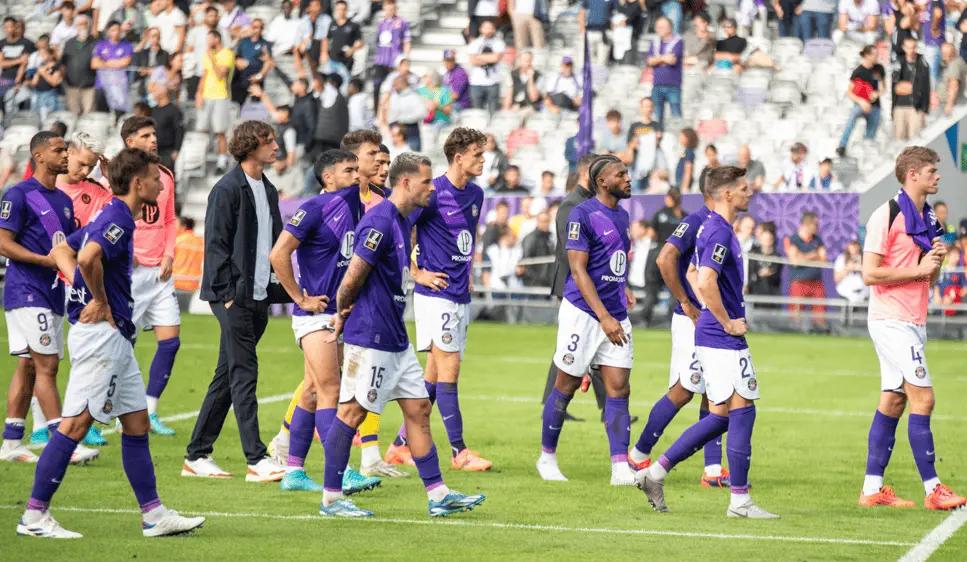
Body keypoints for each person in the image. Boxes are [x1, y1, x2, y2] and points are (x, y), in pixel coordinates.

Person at [14, 147, 205, 539]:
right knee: (75, 425)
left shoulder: (111, 212)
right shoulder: (117, 216)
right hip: (102, 338)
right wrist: (97, 299)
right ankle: (34, 516)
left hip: (116, 338)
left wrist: (82, 291)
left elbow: (63, 249)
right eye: (154, 177)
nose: (159, 184)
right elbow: (87, 258)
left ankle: (153, 514)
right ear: (138, 183)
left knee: (136, 424)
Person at [320, 152, 488, 518]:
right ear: (406, 183)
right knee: (351, 413)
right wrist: (342, 313)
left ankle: (438, 494)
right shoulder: (379, 221)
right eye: (427, 182)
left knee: (419, 409)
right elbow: (352, 277)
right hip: (372, 336)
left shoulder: (397, 219)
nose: (433, 187)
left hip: (395, 336)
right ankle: (331, 498)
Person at [636, 166, 779, 519]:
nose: (750, 193)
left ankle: (654, 473)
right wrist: (727, 320)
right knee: (743, 410)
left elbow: (692, 272)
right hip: (721, 336)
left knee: (720, 416)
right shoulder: (717, 229)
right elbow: (704, 282)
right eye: (744, 188)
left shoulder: (715, 227)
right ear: (727, 194)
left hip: (713, 335)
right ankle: (740, 502)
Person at [269, 129, 394, 483]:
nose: (358, 176)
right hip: (316, 314)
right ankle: (340, 471)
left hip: (338, 314)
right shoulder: (313, 207)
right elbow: (278, 253)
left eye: (359, 170)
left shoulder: (359, 204)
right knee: (331, 390)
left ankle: (293, 469)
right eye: (349, 171)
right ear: (328, 177)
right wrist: (299, 297)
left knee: (310, 390)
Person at [858, 146, 967, 510]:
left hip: (913, 320)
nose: (938, 176)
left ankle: (872, 490)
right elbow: (870, 274)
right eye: (932, 171)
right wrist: (919, 270)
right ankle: (933, 489)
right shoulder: (886, 215)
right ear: (913, 175)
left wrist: (933, 263)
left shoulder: (928, 219)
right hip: (891, 321)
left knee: (894, 400)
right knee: (925, 397)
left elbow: (928, 276)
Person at [184, 121, 289, 481]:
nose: (276, 146)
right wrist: (227, 295)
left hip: (258, 296)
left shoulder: (269, 189)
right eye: (269, 141)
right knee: (245, 372)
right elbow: (215, 245)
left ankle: (197, 454)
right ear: (250, 146)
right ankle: (256, 459)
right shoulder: (226, 189)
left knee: (227, 375)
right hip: (233, 297)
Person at [384, 128, 493, 471]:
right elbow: (397, 228)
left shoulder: (475, 194)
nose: (483, 160)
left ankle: (400, 445)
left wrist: (469, 271)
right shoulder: (432, 193)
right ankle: (459, 452)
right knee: (450, 368)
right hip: (436, 294)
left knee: (432, 375)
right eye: (477, 154)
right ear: (459, 157)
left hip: (459, 293)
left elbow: (465, 239)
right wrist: (416, 273)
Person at [536, 154, 636, 484]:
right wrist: (604, 316)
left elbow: (614, 261)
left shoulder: (622, 216)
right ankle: (546, 458)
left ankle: (620, 466)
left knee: (619, 387)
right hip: (583, 314)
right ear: (602, 181)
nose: (628, 178)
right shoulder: (582, 213)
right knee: (564, 384)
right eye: (621, 174)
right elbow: (578, 270)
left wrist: (625, 289)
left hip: (615, 313)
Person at [0, 133, 98, 465]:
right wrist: (43, 261)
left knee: (29, 364)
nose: (65, 155)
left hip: (53, 291)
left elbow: (66, 248)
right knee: (48, 364)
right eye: (59, 150)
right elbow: (2, 242)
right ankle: (62, 442)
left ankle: (12, 441)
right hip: (26, 288)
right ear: (39, 156)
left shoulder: (64, 201)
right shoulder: (19, 194)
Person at [629, 178, 729, 487]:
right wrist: (685, 301)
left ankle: (713, 471)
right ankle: (639, 453)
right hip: (693, 320)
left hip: (711, 319)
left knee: (715, 392)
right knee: (684, 390)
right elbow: (665, 257)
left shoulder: (720, 224)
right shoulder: (695, 221)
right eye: (740, 186)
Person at [118, 117, 181, 437]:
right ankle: (110, 410)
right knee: (120, 345)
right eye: (145, 135)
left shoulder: (166, 175)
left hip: (160, 273)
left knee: (170, 342)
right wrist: (126, 253)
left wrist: (169, 254)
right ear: (130, 142)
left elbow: (170, 220)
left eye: (154, 133)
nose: (153, 138)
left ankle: (150, 410)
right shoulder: (118, 178)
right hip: (130, 273)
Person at [195, 29, 235, 174]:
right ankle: (201, 160)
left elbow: (220, 74)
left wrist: (212, 57)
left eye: (209, 39)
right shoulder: (208, 55)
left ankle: (222, 161)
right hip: (207, 96)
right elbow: (204, 75)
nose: (207, 43)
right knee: (203, 130)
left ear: (217, 39)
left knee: (220, 131)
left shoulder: (227, 54)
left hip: (220, 96)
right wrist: (198, 93)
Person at [837, 45, 884, 157]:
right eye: (874, 54)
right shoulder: (858, 72)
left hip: (875, 106)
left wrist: (876, 94)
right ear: (867, 55)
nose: (877, 56)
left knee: (872, 130)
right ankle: (842, 145)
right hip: (860, 105)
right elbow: (849, 92)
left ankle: (866, 152)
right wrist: (861, 101)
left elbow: (883, 87)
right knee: (851, 119)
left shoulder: (879, 69)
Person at [785, 211, 828, 330]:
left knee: (820, 314)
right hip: (799, 282)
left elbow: (824, 260)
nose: (818, 227)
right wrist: (812, 256)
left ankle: (820, 332)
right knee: (796, 313)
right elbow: (795, 261)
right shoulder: (792, 239)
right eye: (816, 224)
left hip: (816, 282)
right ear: (807, 224)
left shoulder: (818, 240)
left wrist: (803, 256)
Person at [372, 0, 411, 112]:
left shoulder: (402, 22)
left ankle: (395, 114)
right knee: (377, 86)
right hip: (381, 61)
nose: (389, 11)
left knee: (395, 88)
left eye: (392, 9)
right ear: (384, 9)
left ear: (395, 8)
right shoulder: (381, 23)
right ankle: (377, 114)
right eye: (387, 8)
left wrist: (406, 59)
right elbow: (378, 42)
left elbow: (407, 41)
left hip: (395, 62)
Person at [892, 36, 930, 141]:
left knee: (915, 142)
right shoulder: (899, 62)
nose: (911, 50)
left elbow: (925, 87)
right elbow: (896, 88)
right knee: (899, 141)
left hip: (916, 107)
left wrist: (925, 108)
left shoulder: (922, 62)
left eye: (913, 47)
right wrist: (913, 87)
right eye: (908, 47)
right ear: (904, 48)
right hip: (900, 106)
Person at [646, 17, 683, 126]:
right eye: (657, 27)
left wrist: (657, 59)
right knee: (656, 117)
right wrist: (663, 58)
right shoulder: (655, 42)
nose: (658, 29)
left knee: (676, 116)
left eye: (661, 27)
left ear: (670, 28)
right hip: (657, 84)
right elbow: (649, 61)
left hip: (673, 85)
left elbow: (672, 60)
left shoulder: (678, 41)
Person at [92, 20, 134, 114]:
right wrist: (113, 63)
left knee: (120, 113)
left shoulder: (127, 45)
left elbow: (125, 62)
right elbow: (94, 64)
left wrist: (104, 62)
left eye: (118, 29)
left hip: (119, 86)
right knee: (101, 114)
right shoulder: (101, 45)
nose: (116, 32)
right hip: (102, 85)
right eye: (113, 30)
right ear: (108, 31)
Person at [624, 97, 664, 192]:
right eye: (645, 106)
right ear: (641, 108)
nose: (648, 109)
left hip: (653, 166)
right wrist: (635, 143)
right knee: (636, 191)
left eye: (650, 106)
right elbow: (630, 145)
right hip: (637, 165)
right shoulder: (634, 126)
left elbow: (658, 144)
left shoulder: (657, 125)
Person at [466, 20, 505, 115]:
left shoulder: (499, 43)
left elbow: (496, 58)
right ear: (480, 29)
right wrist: (489, 57)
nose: (488, 30)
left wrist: (479, 56)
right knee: (477, 112)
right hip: (476, 83)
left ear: (494, 29)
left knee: (493, 112)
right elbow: (472, 60)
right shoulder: (475, 43)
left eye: (490, 27)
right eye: (485, 27)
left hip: (493, 82)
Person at [61, 15, 96, 116]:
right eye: (79, 24)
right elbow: (63, 62)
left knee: (88, 116)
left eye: (85, 24)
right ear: (76, 26)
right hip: (72, 87)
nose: (83, 27)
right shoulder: (69, 43)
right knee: (73, 115)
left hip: (89, 87)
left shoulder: (94, 42)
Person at [173, 216, 203, 311]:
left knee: (174, 312)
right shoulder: (200, 242)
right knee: (184, 310)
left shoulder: (177, 241)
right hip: (192, 282)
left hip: (176, 281)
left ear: (183, 226)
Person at [503, 50, 543, 114]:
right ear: (520, 61)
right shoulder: (512, 74)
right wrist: (506, 110)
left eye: (529, 60)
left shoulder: (538, 76)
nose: (528, 63)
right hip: (516, 107)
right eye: (525, 60)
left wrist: (531, 78)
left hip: (531, 108)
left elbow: (534, 98)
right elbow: (509, 96)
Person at [579, 0, 613, 67]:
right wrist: (582, 30)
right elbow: (582, 12)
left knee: (602, 63)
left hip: (604, 33)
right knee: (587, 61)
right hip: (590, 31)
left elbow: (614, 12)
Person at [834, 238, 867, 303]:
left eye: (855, 244)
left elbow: (869, 279)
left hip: (863, 296)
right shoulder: (841, 259)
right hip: (845, 295)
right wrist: (847, 269)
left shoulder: (864, 258)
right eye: (852, 244)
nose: (854, 247)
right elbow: (836, 279)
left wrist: (861, 269)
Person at [939, 42, 967, 117]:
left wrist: (949, 105)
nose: (942, 54)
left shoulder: (954, 65)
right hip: (955, 103)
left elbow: (954, 85)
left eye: (944, 52)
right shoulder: (958, 61)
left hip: (952, 105)